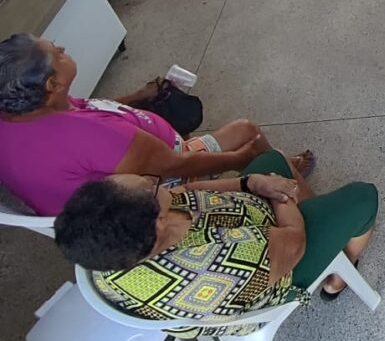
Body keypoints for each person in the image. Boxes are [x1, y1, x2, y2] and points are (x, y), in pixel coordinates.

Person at [55, 151, 378, 314]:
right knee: (363, 198)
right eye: (150, 184)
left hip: (251, 222)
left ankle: (317, 212)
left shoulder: (115, 244)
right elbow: (294, 242)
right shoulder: (218, 264)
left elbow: (189, 190)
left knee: (271, 160)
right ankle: (338, 276)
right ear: (157, 225)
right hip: (280, 267)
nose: (155, 180)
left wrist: (249, 183)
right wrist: (281, 196)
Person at [0, 35, 280, 216]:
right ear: (53, 84)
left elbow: (88, 109)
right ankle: (275, 175)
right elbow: (174, 165)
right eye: (57, 53)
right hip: (153, 197)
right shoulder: (88, 137)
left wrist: (137, 98)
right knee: (246, 132)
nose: (61, 46)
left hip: (94, 205)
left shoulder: (25, 109)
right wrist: (238, 158)